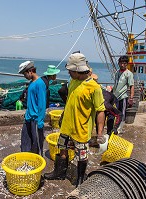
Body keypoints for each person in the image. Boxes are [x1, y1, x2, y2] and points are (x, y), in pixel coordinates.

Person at [44, 52, 106, 187]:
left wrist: (100, 133)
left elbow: (100, 111)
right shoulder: (73, 81)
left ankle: (79, 180)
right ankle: (59, 172)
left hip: (81, 129)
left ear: (78, 70)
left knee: (82, 156)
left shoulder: (94, 88)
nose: (69, 73)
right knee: (62, 148)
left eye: (70, 70)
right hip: (66, 126)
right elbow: (69, 99)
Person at [18, 60, 47, 155]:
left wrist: (40, 121)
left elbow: (42, 104)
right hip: (28, 117)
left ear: (30, 71)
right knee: (25, 142)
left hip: (36, 119)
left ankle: (37, 161)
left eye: (24, 74)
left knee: (37, 144)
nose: (24, 76)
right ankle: (26, 158)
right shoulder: (31, 83)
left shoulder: (40, 83)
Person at [111, 55, 134, 132]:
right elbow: (116, 84)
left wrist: (131, 98)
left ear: (127, 64)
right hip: (115, 96)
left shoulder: (129, 74)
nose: (122, 65)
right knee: (114, 112)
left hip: (123, 96)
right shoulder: (117, 72)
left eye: (124, 63)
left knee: (122, 112)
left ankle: (120, 128)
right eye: (121, 63)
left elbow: (131, 86)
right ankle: (115, 126)